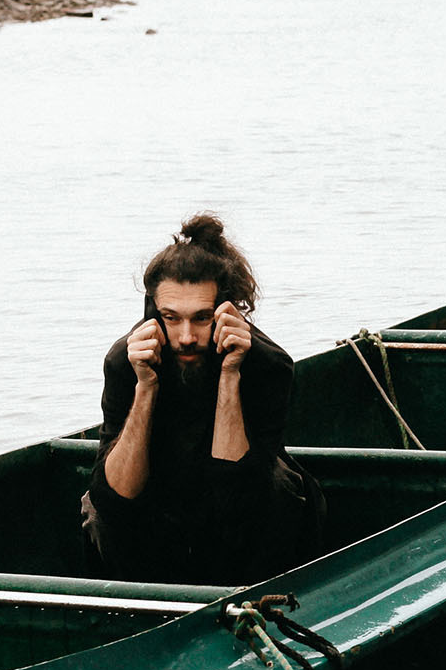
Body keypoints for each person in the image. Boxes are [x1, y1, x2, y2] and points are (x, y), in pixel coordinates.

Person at [81, 214, 324, 586]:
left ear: (225, 311)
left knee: (279, 486)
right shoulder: (124, 361)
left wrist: (230, 373)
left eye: (201, 318)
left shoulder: (268, 364)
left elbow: (237, 491)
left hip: (243, 510)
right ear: (153, 313)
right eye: (171, 318)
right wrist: (145, 386)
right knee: (97, 508)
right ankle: (142, 602)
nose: (186, 337)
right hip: (161, 503)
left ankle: (251, 597)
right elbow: (115, 497)